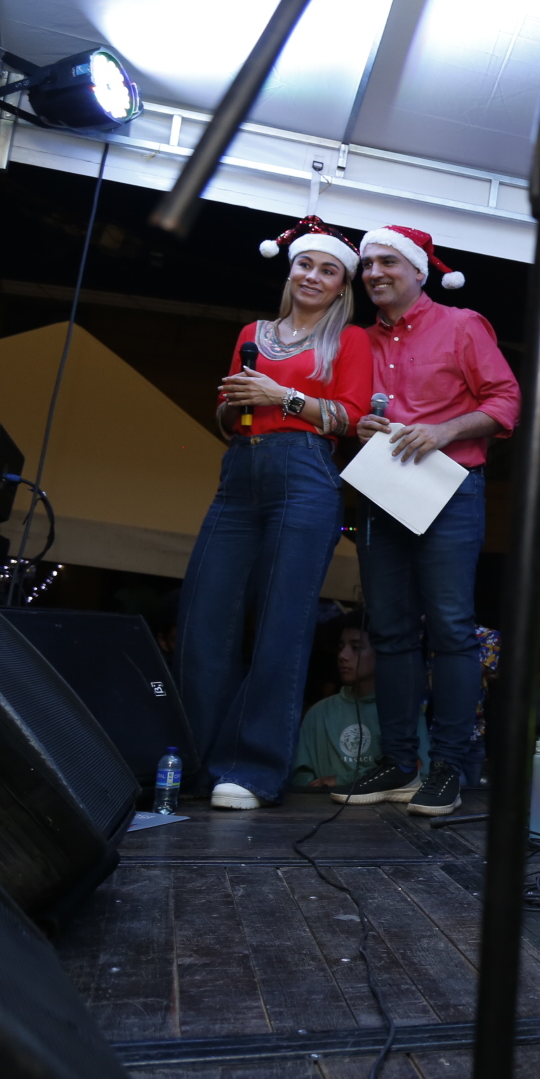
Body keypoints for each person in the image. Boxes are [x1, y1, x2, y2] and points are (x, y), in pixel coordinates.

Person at [177, 219, 371, 810]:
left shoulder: (349, 340)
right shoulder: (252, 332)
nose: (313, 276)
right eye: (305, 265)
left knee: (281, 622)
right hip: (240, 469)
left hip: (305, 472)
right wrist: (233, 403)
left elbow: (352, 418)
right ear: (291, 271)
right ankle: (194, 760)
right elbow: (227, 413)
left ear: (342, 286)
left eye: (328, 270)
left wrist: (278, 395)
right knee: (203, 615)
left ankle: (253, 769)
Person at [332, 225, 520, 819]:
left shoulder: (461, 324)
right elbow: (348, 409)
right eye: (367, 264)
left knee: (450, 629)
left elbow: (505, 401)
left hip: (450, 485)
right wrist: (357, 424)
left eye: (388, 262)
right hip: (383, 486)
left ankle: (450, 768)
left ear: (419, 270)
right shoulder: (359, 338)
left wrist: (442, 431)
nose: (374, 273)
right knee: (389, 630)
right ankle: (399, 762)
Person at [293, 619, 429, 789]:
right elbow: (300, 776)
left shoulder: (402, 710)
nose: (343, 655)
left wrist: (342, 780)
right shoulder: (319, 712)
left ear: (381, 652)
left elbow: (422, 771)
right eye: (341, 647)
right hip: (324, 804)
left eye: (356, 648)